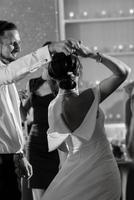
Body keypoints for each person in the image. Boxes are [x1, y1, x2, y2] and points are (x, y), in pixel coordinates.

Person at [0, 20, 79, 200]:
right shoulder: (7, 74)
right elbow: (16, 70)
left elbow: (9, 122)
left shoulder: (5, 75)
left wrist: (18, 154)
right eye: (13, 43)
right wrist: (50, 49)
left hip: (10, 159)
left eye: (19, 42)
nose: (18, 48)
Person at [41, 42, 131, 200]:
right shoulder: (93, 96)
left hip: (75, 172)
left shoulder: (53, 107)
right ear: (78, 72)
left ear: (52, 76)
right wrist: (92, 55)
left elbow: (63, 152)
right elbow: (123, 72)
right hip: (104, 171)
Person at [20, 69, 60, 200]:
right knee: (38, 194)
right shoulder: (33, 84)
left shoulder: (61, 84)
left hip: (56, 143)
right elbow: (23, 115)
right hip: (35, 144)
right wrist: (18, 102)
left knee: (56, 192)